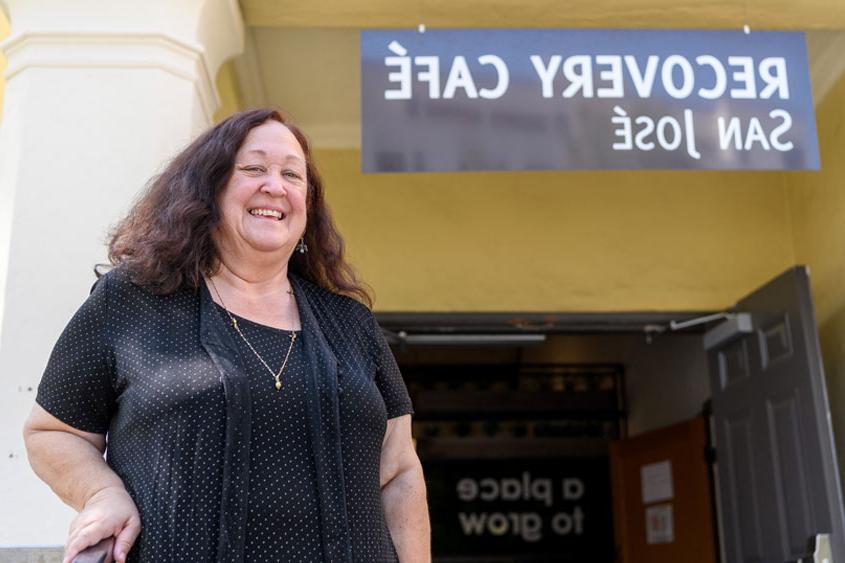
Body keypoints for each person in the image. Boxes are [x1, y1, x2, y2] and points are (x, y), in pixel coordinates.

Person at [22, 108, 430, 563]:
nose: (275, 186)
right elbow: (52, 432)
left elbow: (398, 472)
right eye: (253, 168)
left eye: (292, 175)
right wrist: (101, 493)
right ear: (207, 191)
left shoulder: (351, 323)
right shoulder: (131, 301)